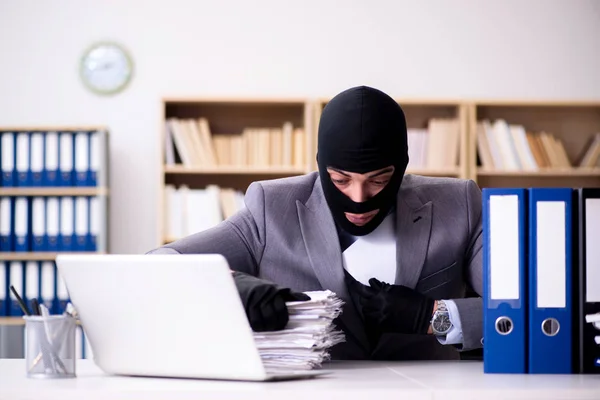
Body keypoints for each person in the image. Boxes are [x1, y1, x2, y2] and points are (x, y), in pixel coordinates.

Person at [148, 85, 483, 361]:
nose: (359, 197)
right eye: (340, 180)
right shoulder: (271, 207)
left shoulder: (459, 204)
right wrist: (230, 284)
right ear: (321, 166)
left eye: (378, 180)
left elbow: (528, 312)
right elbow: (159, 263)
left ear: (402, 165)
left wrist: (433, 316)